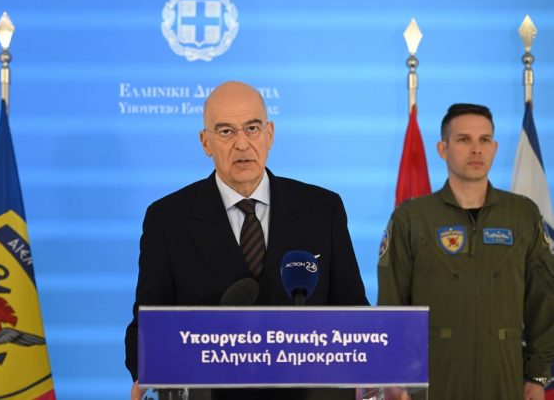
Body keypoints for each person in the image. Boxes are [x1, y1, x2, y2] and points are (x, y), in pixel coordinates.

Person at [125, 81, 369, 400]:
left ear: (270, 134)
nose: (242, 144)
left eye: (252, 128)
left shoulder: (322, 209)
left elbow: (354, 314)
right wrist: (147, 371)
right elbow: (147, 326)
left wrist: (376, 375)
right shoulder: (168, 219)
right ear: (205, 142)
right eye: (226, 131)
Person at [378, 103, 554, 400]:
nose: (476, 149)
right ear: (442, 149)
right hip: (433, 378)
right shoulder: (412, 218)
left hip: (506, 377)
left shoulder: (522, 215)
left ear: (495, 148)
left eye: (484, 140)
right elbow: (393, 303)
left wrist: (538, 375)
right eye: (463, 139)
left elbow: (544, 299)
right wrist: (394, 374)